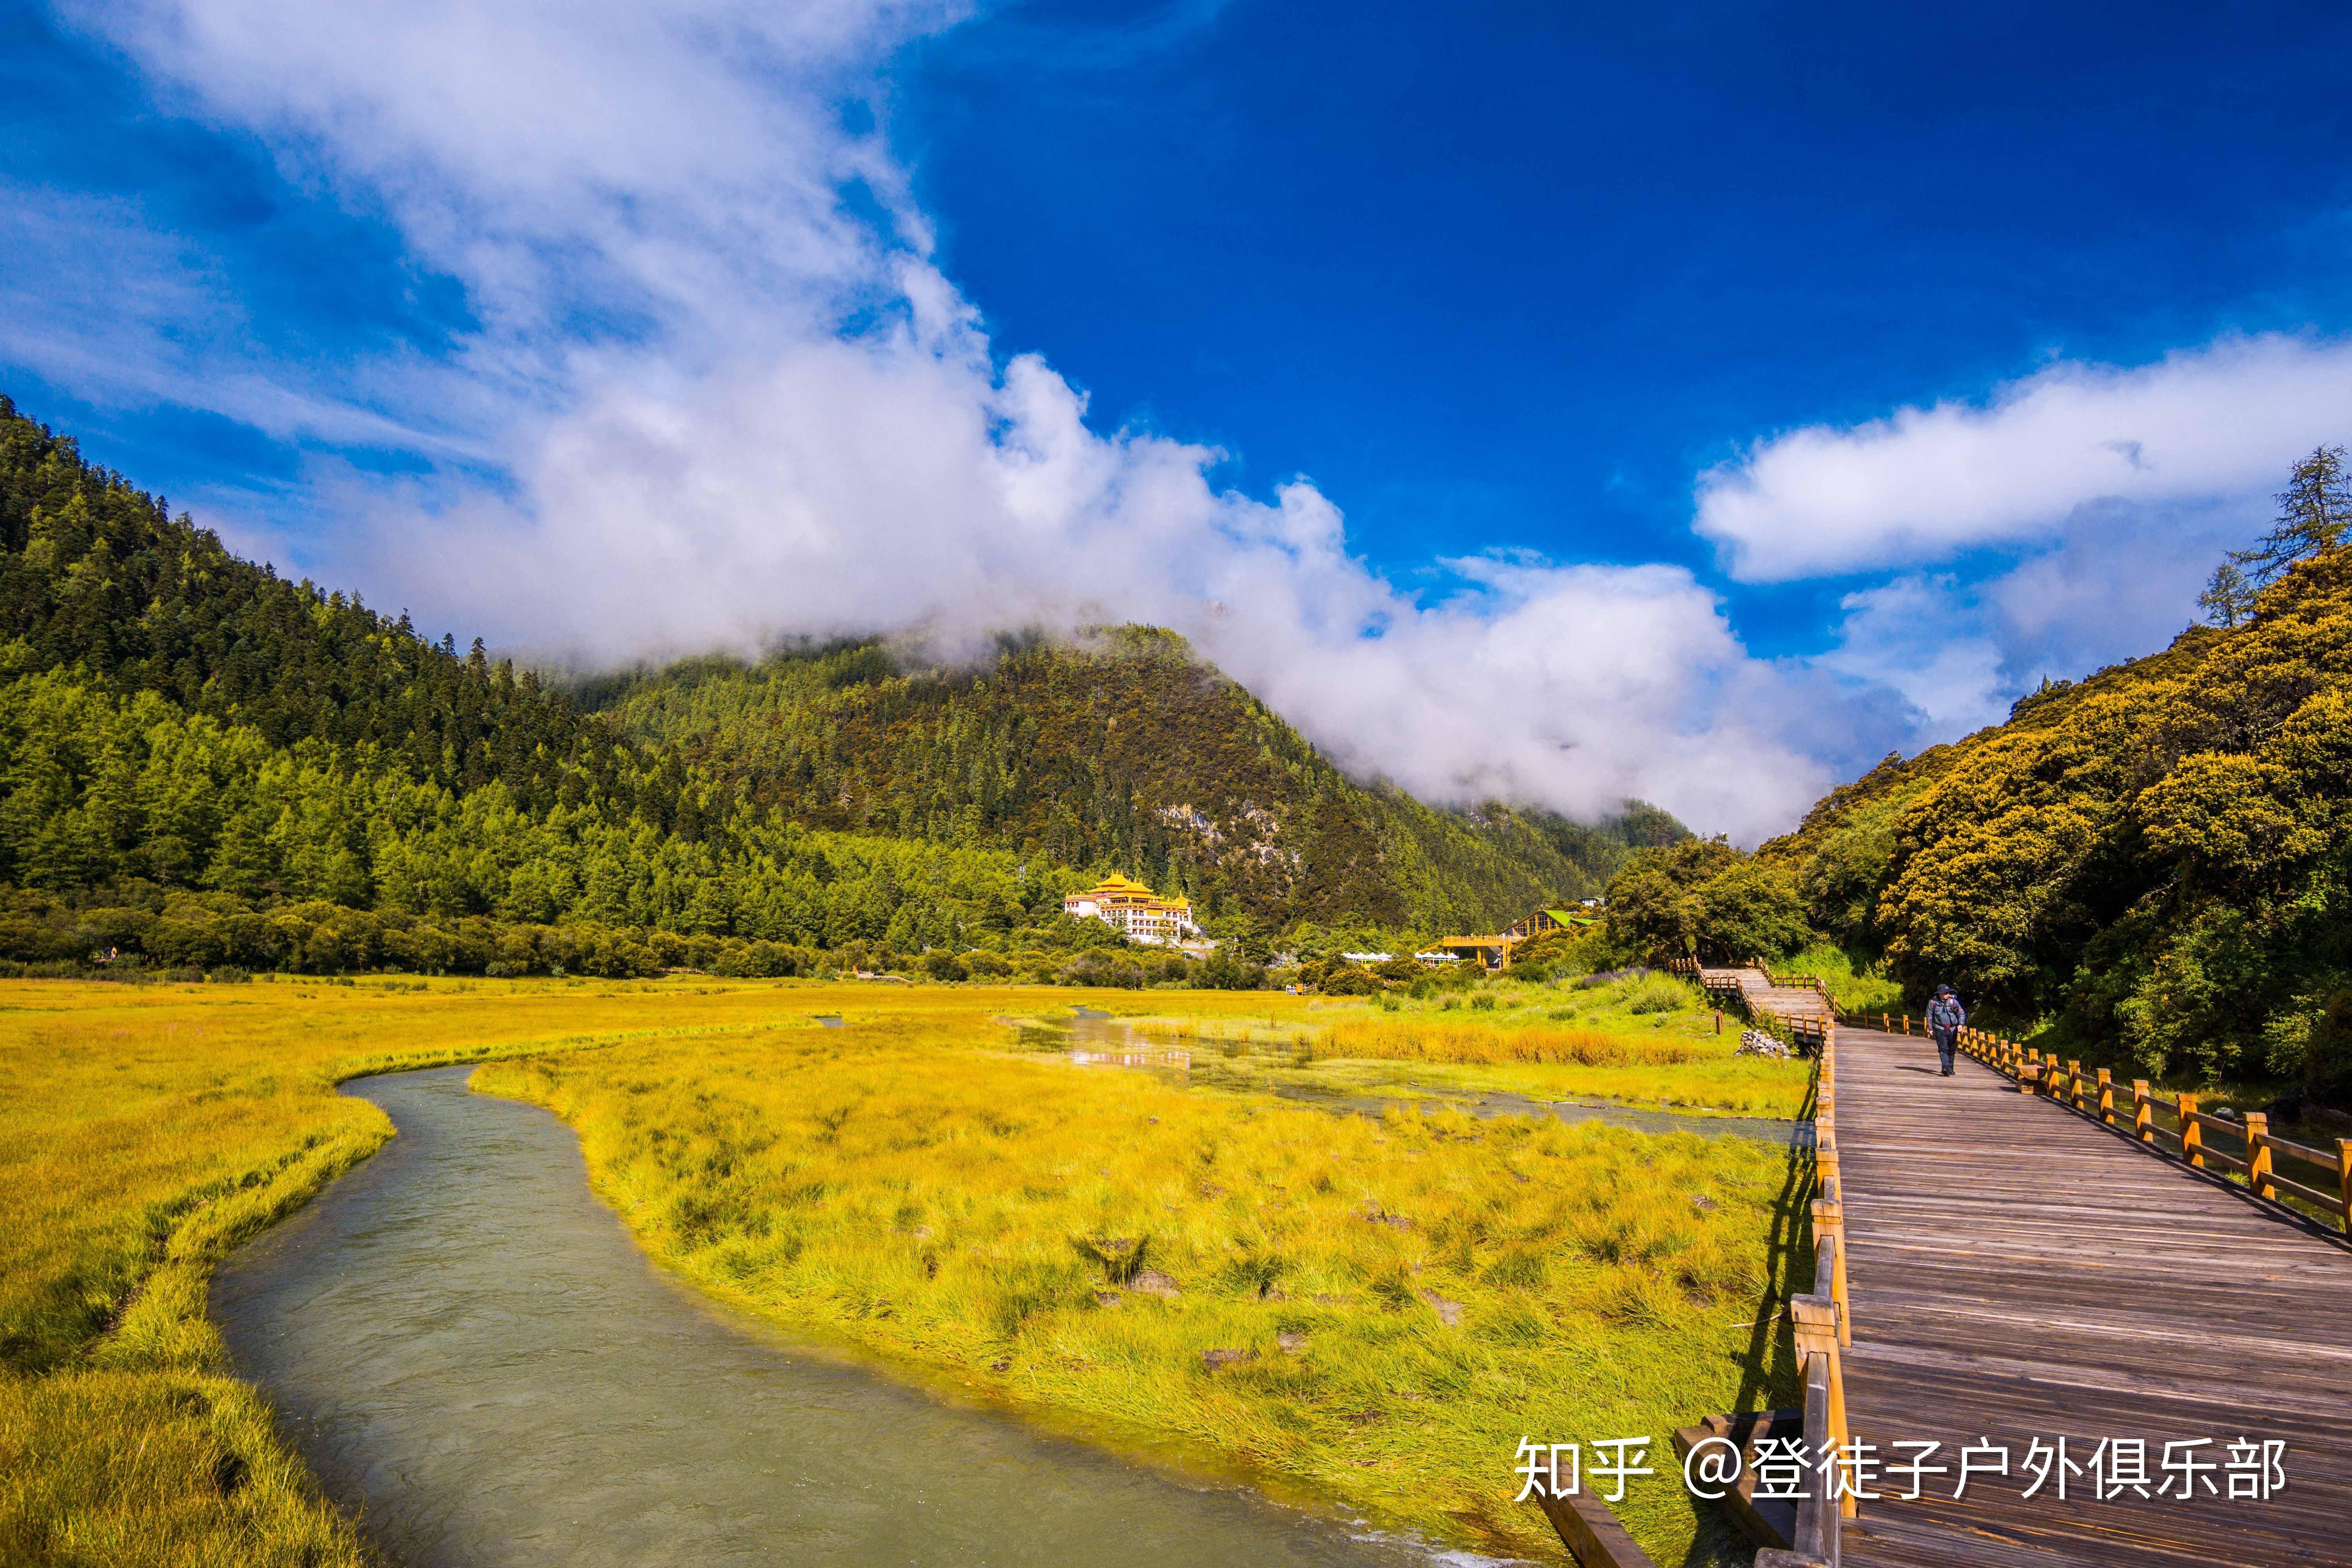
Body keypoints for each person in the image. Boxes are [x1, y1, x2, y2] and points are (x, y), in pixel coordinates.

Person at [1926, 984, 1965, 1076]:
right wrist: (1930, 1028)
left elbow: (1961, 1014)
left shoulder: (1954, 1002)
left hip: (1953, 1028)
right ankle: (1945, 1067)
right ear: (1941, 994)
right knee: (1943, 1049)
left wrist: (1961, 1024)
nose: (1948, 994)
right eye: (1946, 993)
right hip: (1940, 1028)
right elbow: (1929, 1016)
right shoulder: (1933, 1002)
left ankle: (1951, 1068)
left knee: (1952, 1049)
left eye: (1949, 993)